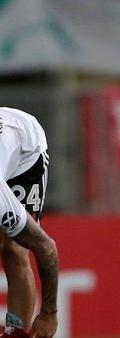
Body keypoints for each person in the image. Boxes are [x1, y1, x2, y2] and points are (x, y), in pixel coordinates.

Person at [0, 107, 58, 338]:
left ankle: (17, 333)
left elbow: (46, 247)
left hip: (26, 150)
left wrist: (49, 313)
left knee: (14, 247)